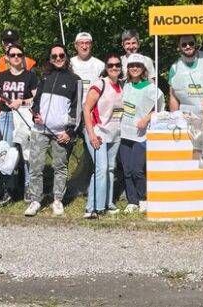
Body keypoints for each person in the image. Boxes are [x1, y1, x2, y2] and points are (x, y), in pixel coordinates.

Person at [24, 44, 82, 217]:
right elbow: (36, 102)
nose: (58, 59)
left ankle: (57, 200)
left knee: (60, 167)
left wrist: (70, 132)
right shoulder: (44, 77)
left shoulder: (75, 80)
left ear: (66, 57)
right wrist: (35, 115)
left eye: (61, 55)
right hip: (39, 130)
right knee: (36, 166)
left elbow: (77, 109)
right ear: (50, 59)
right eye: (54, 56)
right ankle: (35, 200)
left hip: (60, 133)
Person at [119, 53, 164, 213]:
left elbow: (160, 108)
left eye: (138, 65)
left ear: (143, 68)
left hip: (141, 135)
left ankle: (143, 198)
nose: (134, 68)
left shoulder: (151, 88)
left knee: (136, 169)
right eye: (131, 65)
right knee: (126, 170)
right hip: (124, 132)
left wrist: (147, 118)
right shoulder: (125, 85)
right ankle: (132, 201)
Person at [0, 42, 38, 206]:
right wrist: (0, 99)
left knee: (26, 153)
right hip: (6, 116)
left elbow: (36, 97)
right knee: (7, 152)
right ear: (7, 58)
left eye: (20, 55)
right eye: (13, 55)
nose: (16, 57)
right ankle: (8, 189)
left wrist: (22, 101)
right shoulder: (1, 76)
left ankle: (28, 187)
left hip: (24, 115)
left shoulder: (30, 76)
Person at [82, 54, 124, 218]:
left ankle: (108, 203)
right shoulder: (100, 84)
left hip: (115, 133)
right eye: (111, 65)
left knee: (111, 168)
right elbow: (86, 108)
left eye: (117, 65)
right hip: (97, 132)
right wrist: (91, 133)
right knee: (101, 169)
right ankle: (93, 207)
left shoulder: (121, 85)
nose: (114, 68)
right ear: (106, 67)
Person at [69, 31, 105, 196]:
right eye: (81, 43)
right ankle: (63, 187)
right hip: (71, 112)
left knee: (91, 149)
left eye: (87, 43)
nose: (84, 46)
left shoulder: (99, 65)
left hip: (90, 114)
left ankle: (88, 184)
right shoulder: (69, 63)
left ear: (91, 45)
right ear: (76, 46)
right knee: (65, 149)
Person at [168, 35, 203, 115]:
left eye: (191, 43)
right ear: (179, 47)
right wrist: (174, 118)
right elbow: (173, 98)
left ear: (195, 44)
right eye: (184, 45)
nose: (188, 46)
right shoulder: (175, 68)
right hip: (186, 118)